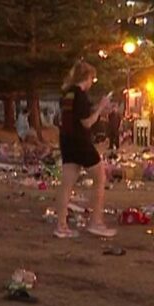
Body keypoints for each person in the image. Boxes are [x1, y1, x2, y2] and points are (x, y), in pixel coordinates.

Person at [55, 61, 115, 238]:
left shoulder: (67, 94)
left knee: (66, 185)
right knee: (100, 177)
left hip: (66, 141)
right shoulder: (80, 95)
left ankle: (61, 226)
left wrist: (96, 108)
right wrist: (102, 108)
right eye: (92, 79)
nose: (92, 82)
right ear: (87, 78)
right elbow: (87, 122)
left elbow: (77, 115)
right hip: (81, 141)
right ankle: (96, 222)